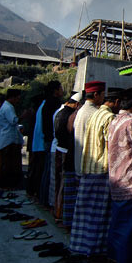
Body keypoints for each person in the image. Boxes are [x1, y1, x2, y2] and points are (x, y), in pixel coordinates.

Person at [70, 86, 121, 263]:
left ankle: (82, 248)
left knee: (86, 213)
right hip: (101, 169)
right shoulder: (109, 117)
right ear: (116, 103)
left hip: (87, 168)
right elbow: (111, 147)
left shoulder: (93, 114)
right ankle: (95, 252)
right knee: (100, 217)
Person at [106, 87, 132, 263]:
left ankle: (113, 261)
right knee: (130, 229)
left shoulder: (114, 121)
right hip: (131, 182)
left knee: (117, 224)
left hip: (116, 180)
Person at [54, 92, 81, 225]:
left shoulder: (61, 112)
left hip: (59, 149)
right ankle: (60, 214)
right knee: (63, 186)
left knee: (59, 184)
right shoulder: (69, 115)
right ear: (77, 104)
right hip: (65, 151)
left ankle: (58, 212)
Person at [39, 80, 64, 207]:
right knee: (50, 172)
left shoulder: (46, 103)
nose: (62, 91)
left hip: (47, 139)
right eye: (60, 88)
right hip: (51, 141)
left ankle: (43, 198)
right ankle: (46, 200)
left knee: (47, 170)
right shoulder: (53, 104)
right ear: (55, 91)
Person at [0, 88, 24, 189]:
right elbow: (13, 121)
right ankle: (5, 184)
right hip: (8, 140)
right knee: (7, 164)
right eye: (17, 98)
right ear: (12, 97)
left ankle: (6, 183)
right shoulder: (8, 107)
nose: (18, 101)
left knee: (7, 163)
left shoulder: (7, 106)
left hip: (7, 138)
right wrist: (24, 116)